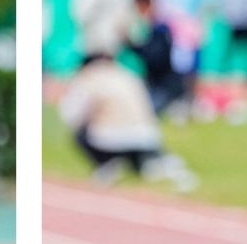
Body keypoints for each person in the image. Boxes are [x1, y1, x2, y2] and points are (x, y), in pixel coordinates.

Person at [59, 52, 195, 189]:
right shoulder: (129, 75)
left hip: (109, 139)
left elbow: (73, 114)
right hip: (147, 137)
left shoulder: (89, 79)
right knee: (143, 159)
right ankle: (147, 162)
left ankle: (106, 164)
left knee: (80, 134)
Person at [154, 0, 212, 120]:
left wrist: (196, 22)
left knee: (191, 66)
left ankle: (190, 100)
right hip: (172, 26)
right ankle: (176, 99)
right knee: (174, 66)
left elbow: (206, 0)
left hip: (190, 26)